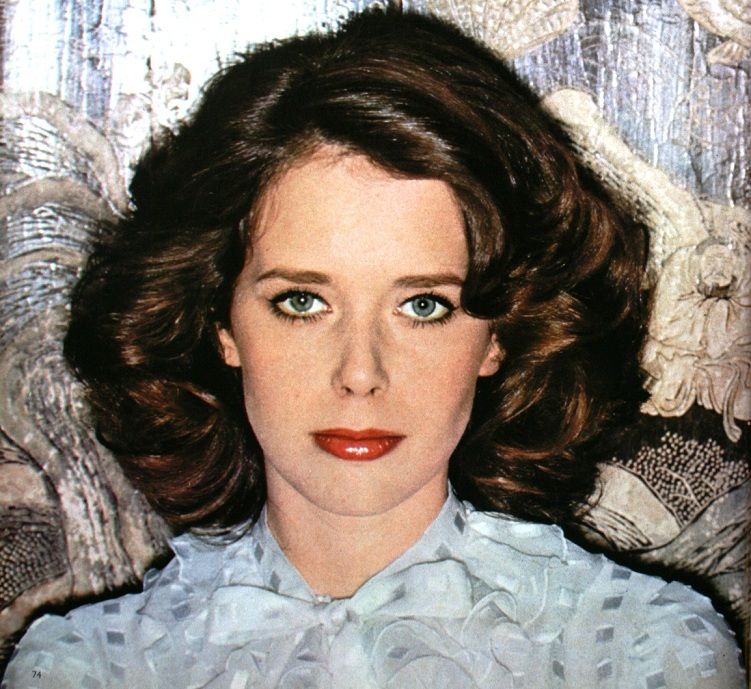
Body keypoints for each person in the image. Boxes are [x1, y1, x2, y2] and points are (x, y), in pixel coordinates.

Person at [3, 9, 745, 689]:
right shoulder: (87, 668)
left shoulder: (642, 653)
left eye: (423, 306)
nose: (360, 373)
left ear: (498, 334)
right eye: (302, 301)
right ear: (221, 323)